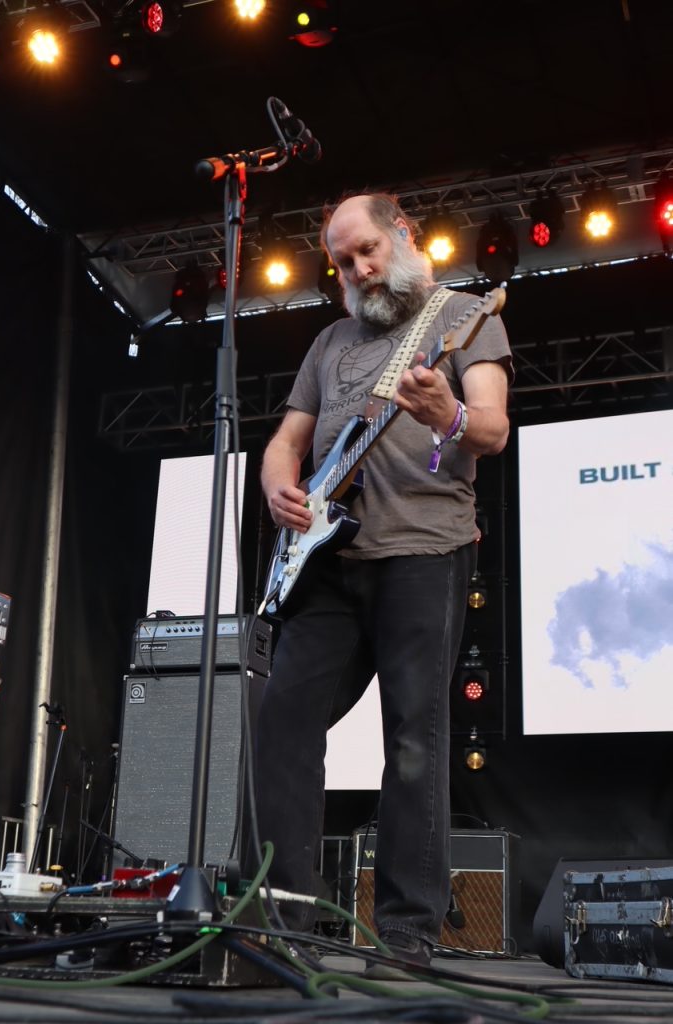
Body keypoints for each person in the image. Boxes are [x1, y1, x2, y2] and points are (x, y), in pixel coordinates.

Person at [254, 192, 512, 972]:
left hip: (423, 552)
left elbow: (491, 430)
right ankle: (284, 919)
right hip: (330, 562)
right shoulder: (331, 341)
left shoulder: (463, 316)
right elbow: (284, 442)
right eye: (343, 261)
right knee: (280, 723)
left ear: (403, 235)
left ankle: (405, 932)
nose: (360, 268)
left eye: (367, 249)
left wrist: (446, 414)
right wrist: (277, 486)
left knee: (412, 739)